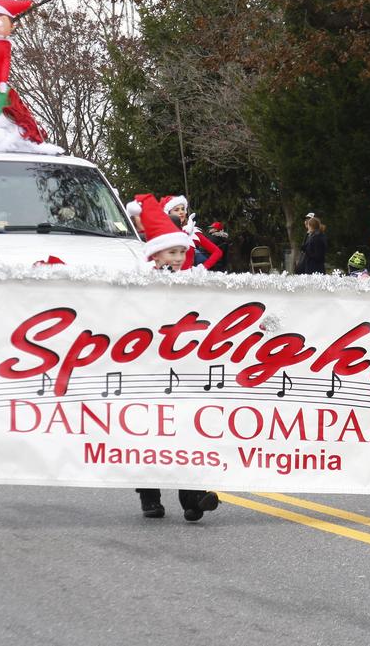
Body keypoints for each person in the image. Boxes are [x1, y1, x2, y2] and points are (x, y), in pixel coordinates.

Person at [132, 196, 220, 521]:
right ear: (155, 254)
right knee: (152, 432)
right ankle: (149, 495)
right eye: (173, 252)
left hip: (186, 368)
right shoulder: (139, 283)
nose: (181, 257)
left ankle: (193, 498)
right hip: (150, 370)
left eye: (183, 251)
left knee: (188, 431)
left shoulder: (195, 280)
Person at [161, 195, 223, 270]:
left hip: (187, 279)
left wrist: (202, 268)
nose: (181, 212)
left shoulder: (193, 233)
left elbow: (217, 252)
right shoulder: (161, 234)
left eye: (183, 209)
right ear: (168, 213)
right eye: (176, 210)